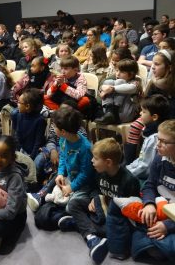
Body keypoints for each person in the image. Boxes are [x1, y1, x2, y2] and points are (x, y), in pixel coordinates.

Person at [57, 138, 140, 264]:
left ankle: (80, 224)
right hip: (101, 207)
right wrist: (93, 198)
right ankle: (90, 234)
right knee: (74, 203)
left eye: (95, 158)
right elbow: (95, 189)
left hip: (116, 218)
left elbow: (132, 210)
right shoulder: (99, 173)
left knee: (115, 232)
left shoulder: (130, 181)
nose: (92, 161)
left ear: (108, 162)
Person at [106, 120, 175, 262]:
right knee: (116, 204)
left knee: (167, 247)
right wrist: (149, 204)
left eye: (164, 142)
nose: (157, 145)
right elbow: (149, 185)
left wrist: (167, 226)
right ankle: (123, 248)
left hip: (171, 217)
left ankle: (140, 237)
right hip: (157, 208)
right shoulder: (159, 157)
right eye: (158, 139)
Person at [126, 95, 170, 179]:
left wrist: (127, 174)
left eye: (143, 111)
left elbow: (145, 167)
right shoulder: (148, 131)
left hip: (147, 177)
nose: (140, 113)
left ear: (154, 117)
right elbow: (141, 159)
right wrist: (127, 168)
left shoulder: (154, 138)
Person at [95, 59, 142, 125]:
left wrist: (112, 89)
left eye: (122, 72)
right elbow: (104, 86)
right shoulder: (114, 80)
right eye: (117, 70)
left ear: (131, 75)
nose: (118, 74)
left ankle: (113, 112)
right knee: (109, 82)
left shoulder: (135, 82)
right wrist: (103, 88)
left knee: (120, 82)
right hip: (111, 115)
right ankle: (109, 112)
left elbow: (132, 88)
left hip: (126, 114)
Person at [12, 88, 46, 161]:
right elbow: (17, 135)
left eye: (19, 102)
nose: (17, 104)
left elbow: (38, 142)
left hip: (33, 153)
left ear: (27, 106)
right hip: (22, 150)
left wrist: (31, 157)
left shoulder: (40, 121)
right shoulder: (18, 115)